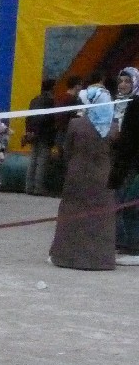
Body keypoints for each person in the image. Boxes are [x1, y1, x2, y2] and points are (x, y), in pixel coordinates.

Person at [49, 74, 117, 270]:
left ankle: (66, 257)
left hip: (77, 174)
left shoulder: (76, 124)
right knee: (100, 218)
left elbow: (67, 151)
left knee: (72, 216)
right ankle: (100, 260)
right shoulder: (113, 129)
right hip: (103, 176)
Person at [108, 82, 139, 265]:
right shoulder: (127, 103)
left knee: (129, 205)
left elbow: (128, 139)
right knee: (125, 204)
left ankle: (134, 248)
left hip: (131, 164)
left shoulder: (134, 105)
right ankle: (127, 244)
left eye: (128, 81)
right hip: (130, 164)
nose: (123, 84)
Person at [22, 78, 58, 196]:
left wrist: (29, 131)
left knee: (33, 160)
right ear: (52, 88)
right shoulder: (50, 101)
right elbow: (48, 119)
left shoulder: (35, 100)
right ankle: (38, 188)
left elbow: (29, 117)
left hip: (33, 134)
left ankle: (28, 187)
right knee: (42, 162)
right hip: (45, 134)